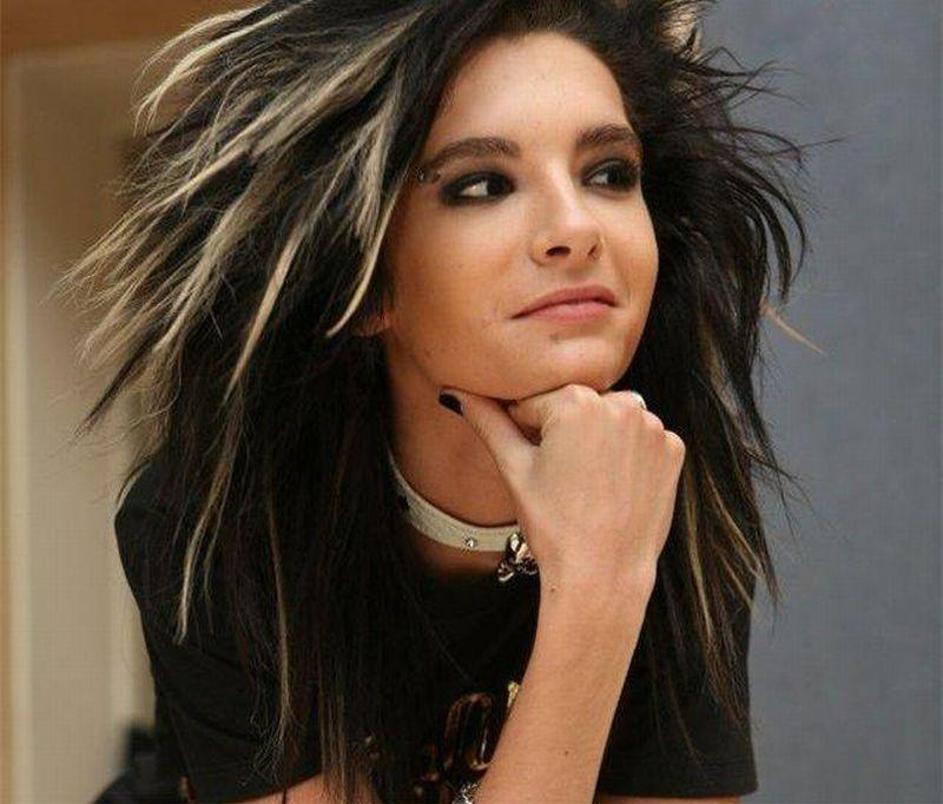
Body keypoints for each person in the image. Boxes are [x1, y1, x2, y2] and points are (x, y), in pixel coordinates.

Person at [61, 0, 812, 802]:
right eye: (482, 185)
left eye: (608, 174)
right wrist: (596, 589)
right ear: (365, 286)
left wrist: (610, 568)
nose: (575, 228)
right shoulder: (226, 520)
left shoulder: (661, 484)